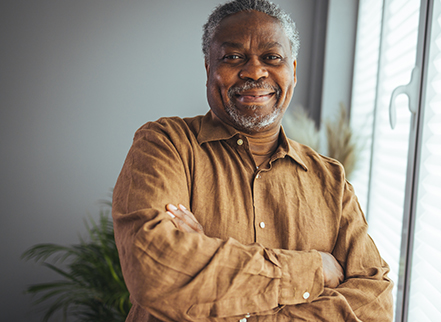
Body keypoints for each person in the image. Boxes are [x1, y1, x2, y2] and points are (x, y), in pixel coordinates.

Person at [112, 0, 393, 321]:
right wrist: (313, 269)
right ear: (208, 69)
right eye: (233, 57)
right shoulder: (165, 143)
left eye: (272, 57)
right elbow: (156, 271)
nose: (254, 71)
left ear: (293, 71)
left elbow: (376, 305)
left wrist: (212, 277)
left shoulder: (331, 179)